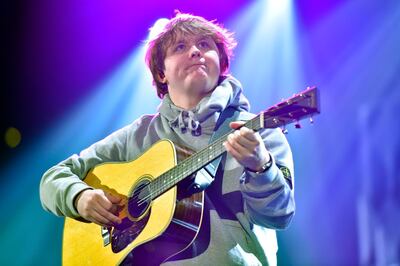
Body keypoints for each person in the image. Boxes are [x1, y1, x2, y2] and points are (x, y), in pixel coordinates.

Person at [40, 13, 295, 265]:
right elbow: (53, 178)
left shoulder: (258, 133)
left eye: (205, 44)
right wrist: (79, 197)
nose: (195, 51)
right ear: (162, 73)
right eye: (180, 46)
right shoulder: (139, 135)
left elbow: (278, 217)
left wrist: (261, 167)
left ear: (221, 62)